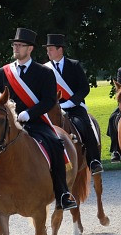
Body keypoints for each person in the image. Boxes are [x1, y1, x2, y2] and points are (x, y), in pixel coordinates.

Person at [0, 27, 77, 210]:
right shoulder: (4, 72)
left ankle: (62, 193)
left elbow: (49, 101)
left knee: (55, 143)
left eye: (20, 45)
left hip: (36, 122)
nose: (16, 48)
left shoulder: (44, 73)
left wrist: (30, 113)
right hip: (7, 123)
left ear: (30, 49)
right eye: (15, 44)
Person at [44, 33, 103, 173]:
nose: (48, 52)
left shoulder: (74, 65)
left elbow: (84, 88)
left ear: (60, 50)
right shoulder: (45, 68)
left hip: (74, 107)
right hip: (52, 107)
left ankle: (93, 160)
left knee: (85, 125)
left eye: (51, 49)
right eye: (47, 49)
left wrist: (71, 102)